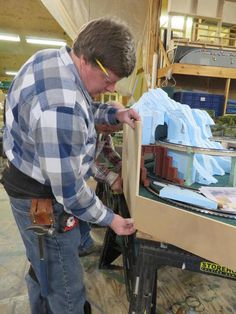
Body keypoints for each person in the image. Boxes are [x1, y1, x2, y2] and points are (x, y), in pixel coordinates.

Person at [2, 17, 140, 314]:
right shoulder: (60, 108)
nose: (112, 87)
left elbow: (83, 106)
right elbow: (69, 191)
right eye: (109, 79)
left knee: (43, 267)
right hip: (39, 198)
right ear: (88, 60)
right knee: (66, 288)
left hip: (25, 177)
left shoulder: (54, 59)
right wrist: (110, 219)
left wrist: (114, 115)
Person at [79, 121, 123, 257]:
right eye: (111, 131)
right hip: (73, 175)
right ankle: (80, 246)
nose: (110, 134)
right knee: (74, 209)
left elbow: (108, 150)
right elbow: (87, 163)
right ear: (105, 124)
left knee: (81, 210)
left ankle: (85, 244)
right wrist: (111, 178)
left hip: (82, 176)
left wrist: (120, 164)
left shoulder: (105, 132)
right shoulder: (84, 130)